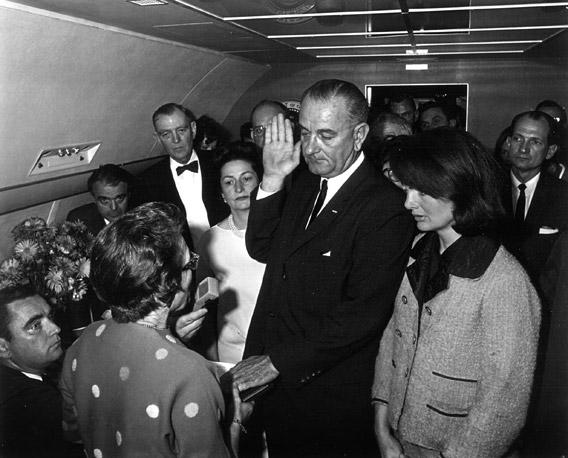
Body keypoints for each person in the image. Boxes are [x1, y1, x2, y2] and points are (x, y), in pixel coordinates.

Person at [230, 79, 415, 457]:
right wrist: (272, 178)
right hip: (277, 386)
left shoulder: (385, 207)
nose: (311, 148)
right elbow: (262, 247)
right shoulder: (302, 182)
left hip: (327, 395)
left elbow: (363, 314)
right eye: (305, 133)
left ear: (360, 134)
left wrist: (278, 361)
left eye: (326, 135)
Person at [373, 128, 541, 458]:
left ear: (460, 189)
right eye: (407, 189)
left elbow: (503, 403)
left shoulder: (505, 280)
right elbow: (393, 337)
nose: (409, 202)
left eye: (421, 191)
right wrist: (381, 425)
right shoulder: (419, 249)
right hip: (398, 437)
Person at [59, 202, 250, 457]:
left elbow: (74, 432)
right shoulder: (191, 373)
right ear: (170, 282)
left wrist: (172, 336)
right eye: (189, 263)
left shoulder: (80, 345)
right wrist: (235, 422)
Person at [197, 142, 266, 364]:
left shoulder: (284, 232)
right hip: (232, 352)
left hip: (276, 350)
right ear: (223, 195)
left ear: (261, 183)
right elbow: (203, 304)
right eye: (229, 182)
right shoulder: (210, 240)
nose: (238, 188)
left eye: (246, 179)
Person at [0, 286, 82, 457]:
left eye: (50, 317)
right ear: (2, 347)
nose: (55, 328)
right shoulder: (37, 403)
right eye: (35, 325)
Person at [138, 103, 229, 249]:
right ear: (158, 138)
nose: (175, 140)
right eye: (166, 134)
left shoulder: (221, 163)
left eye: (181, 130)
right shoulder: (148, 180)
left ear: (193, 129)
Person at [501, 110, 568, 286]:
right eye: (518, 139)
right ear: (508, 143)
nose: (523, 148)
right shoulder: (486, 189)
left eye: (535, 141)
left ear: (550, 151)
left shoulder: (563, 196)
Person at [67, 164, 133, 235]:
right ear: (94, 199)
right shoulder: (79, 221)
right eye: (105, 200)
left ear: (128, 195)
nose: (114, 208)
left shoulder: (141, 221)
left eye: (119, 198)